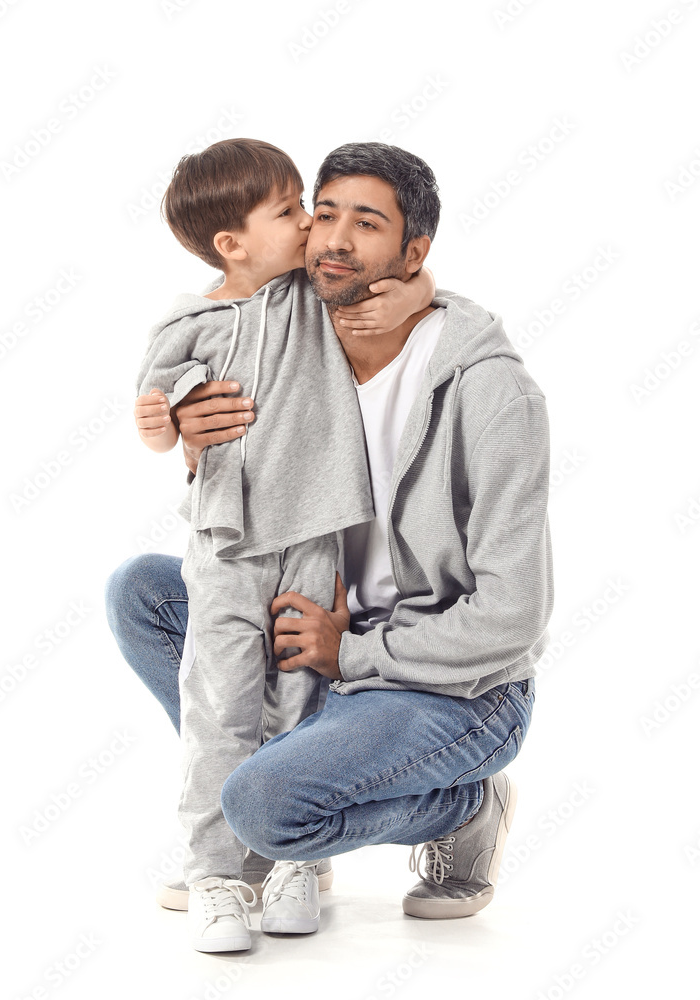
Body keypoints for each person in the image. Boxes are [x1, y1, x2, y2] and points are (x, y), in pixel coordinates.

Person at [106, 140, 553, 951]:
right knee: (144, 592)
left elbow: (513, 618)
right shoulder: (305, 338)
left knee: (266, 805)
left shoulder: (487, 393)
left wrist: (349, 652)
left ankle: (464, 804)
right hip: (309, 622)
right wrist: (188, 425)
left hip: (445, 685)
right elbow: (218, 340)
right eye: (323, 211)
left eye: (368, 223)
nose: (333, 237)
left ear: (414, 255)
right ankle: (264, 844)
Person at [128, 138, 434, 953]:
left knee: (302, 692)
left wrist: (418, 289)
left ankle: (294, 857)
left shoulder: (312, 295)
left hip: (317, 528)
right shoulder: (189, 324)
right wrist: (165, 424)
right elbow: (154, 413)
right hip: (227, 542)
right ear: (233, 243)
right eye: (292, 210)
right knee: (219, 697)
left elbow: (408, 284)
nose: (311, 226)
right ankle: (217, 875)